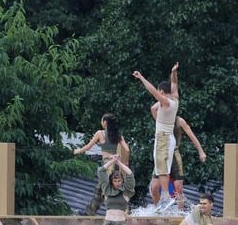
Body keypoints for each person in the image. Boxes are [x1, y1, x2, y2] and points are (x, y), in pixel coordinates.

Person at [133, 63, 179, 211]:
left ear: (162, 92)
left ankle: (166, 197)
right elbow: (174, 83)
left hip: (164, 138)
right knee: (160, 169)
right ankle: (163, 199)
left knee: (163, 169)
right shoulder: (175, 98)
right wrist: (173, 72)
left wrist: (142, 78)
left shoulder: (166, 102)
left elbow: (153, 92)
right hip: (164, 137)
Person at [74, 113, 131, 215]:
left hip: (107, 165)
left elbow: (88, 147)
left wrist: (78, 151)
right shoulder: (118, 135)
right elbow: (127, 149)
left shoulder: (100, 133)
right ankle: (89, 213)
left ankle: (122, 212)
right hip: (116, 164)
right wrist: (125, 162)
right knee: (103, 190)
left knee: (104, 191)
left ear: (105, 122)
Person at [149, 109, 207, 210]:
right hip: (161, 154)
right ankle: (158, 210)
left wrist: (201, 151)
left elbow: (191, 135)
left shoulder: (179, 120)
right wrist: (162, 97)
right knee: (154, 187)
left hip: (174, 153)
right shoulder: (160, 118)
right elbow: (153, 109)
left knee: (178, 188)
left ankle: (180, 213)